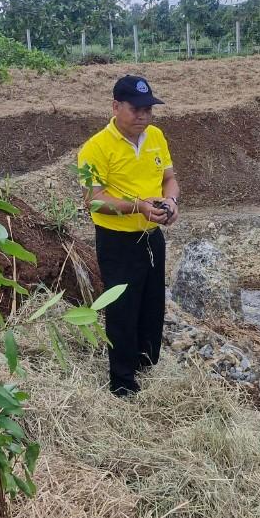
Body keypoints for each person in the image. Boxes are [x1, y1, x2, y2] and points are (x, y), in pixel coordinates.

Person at [77, 75, 180, 397]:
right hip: (117, 240)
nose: (143, 116)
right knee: (122, 309)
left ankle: (147, 365)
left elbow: (170, 179)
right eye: (136, 109)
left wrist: (172, 203)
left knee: (152, 305)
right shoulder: (94, 148)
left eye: (148, 109)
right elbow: (93, 199)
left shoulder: (157, 137)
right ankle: (122, 382)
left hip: (151, 236)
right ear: (116, 106)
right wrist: (137, 207)